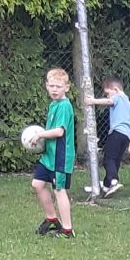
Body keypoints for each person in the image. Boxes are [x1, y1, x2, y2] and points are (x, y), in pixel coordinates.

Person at [29, 67, 76, 236]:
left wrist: (39, 135)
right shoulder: (53, 105)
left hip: (60, 157)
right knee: (38, 184)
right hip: (49, 156)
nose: (54, 90)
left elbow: (59, 132)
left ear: (66, 87)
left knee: (59, 190)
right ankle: (51, 219)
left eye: (58, 86)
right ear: (46, 86)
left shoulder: (64, 106)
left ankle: (67, 230)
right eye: (52, 86)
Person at [99, 73, 130, 196]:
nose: (108, 96)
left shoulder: (118, 97)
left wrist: (92, 101)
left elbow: (109, 101)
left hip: (117, 133)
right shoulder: (128, 103)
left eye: (108, 93)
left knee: (108, 159)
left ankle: (114, 180)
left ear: (115, 89)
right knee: (115, 161)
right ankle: (107, 185)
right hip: (126, 136)